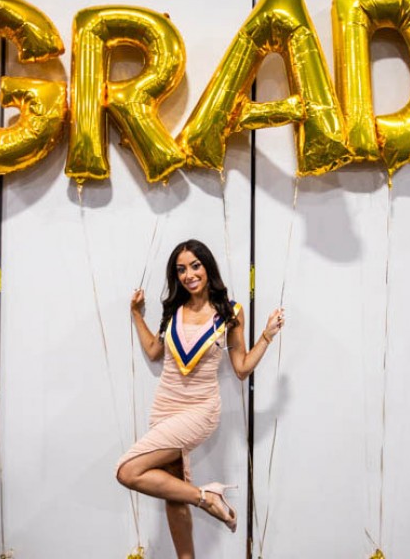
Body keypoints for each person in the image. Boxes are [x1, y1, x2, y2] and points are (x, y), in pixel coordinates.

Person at [116, 239, 284, 559]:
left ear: (207, 267)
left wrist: (267, 335)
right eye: (181, 269)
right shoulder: (173, 310)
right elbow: (154, 351)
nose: (189, 274)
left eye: (195, 266)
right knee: (172, 493)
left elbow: (241, 369)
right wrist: (136, 314)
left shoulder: (230, 312)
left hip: (200, 410)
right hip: (164, 407)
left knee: (127, 471)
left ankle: (206, 498)